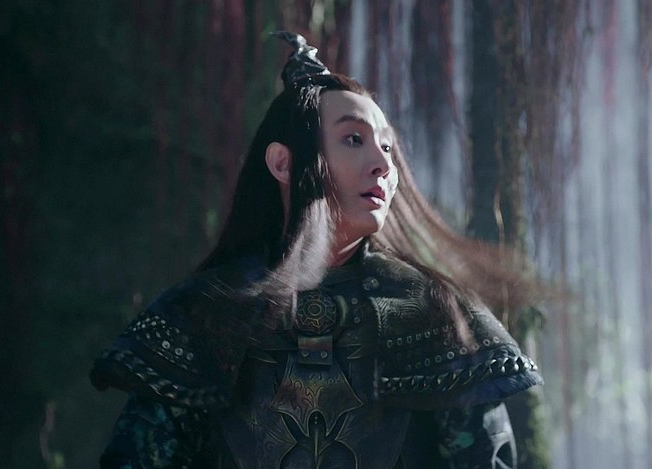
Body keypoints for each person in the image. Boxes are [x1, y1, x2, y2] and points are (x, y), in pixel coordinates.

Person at [91, 31, 542, 468]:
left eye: (387, 146)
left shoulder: (435, 313)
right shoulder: (204, 313)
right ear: (282, 162)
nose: (384, 165)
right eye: (354, 139)